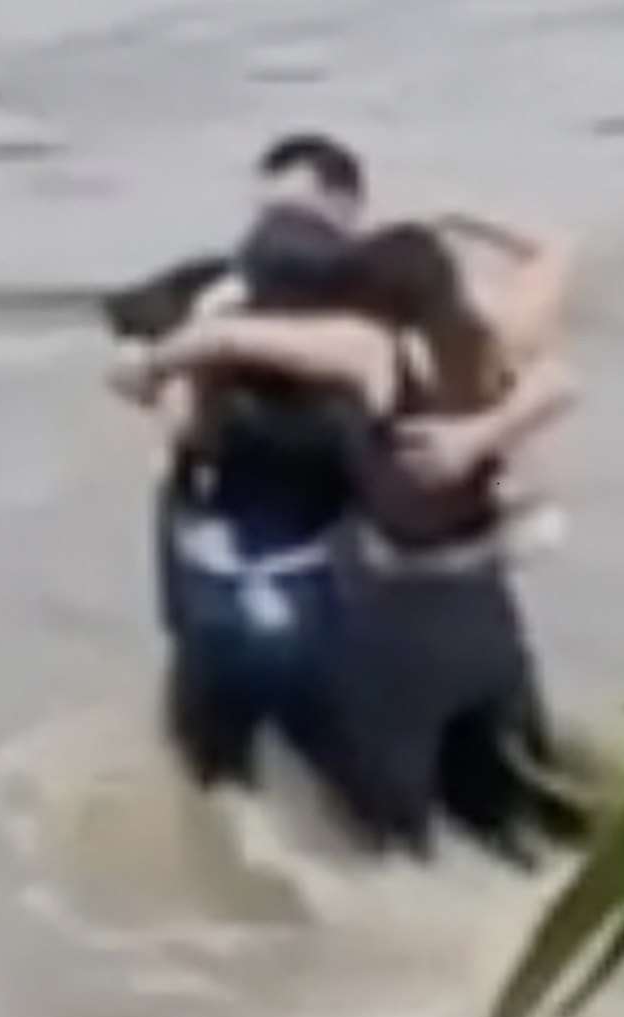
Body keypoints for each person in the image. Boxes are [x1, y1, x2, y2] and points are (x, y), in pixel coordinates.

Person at [115, 213, 585, 862]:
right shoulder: (484, 343)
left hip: (397, 627)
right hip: (488, 615)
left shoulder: (361, 358)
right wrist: (483, 436)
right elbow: (559, 299)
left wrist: (155, 363)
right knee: (540, 812)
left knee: (388, 848)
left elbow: (216, 358)